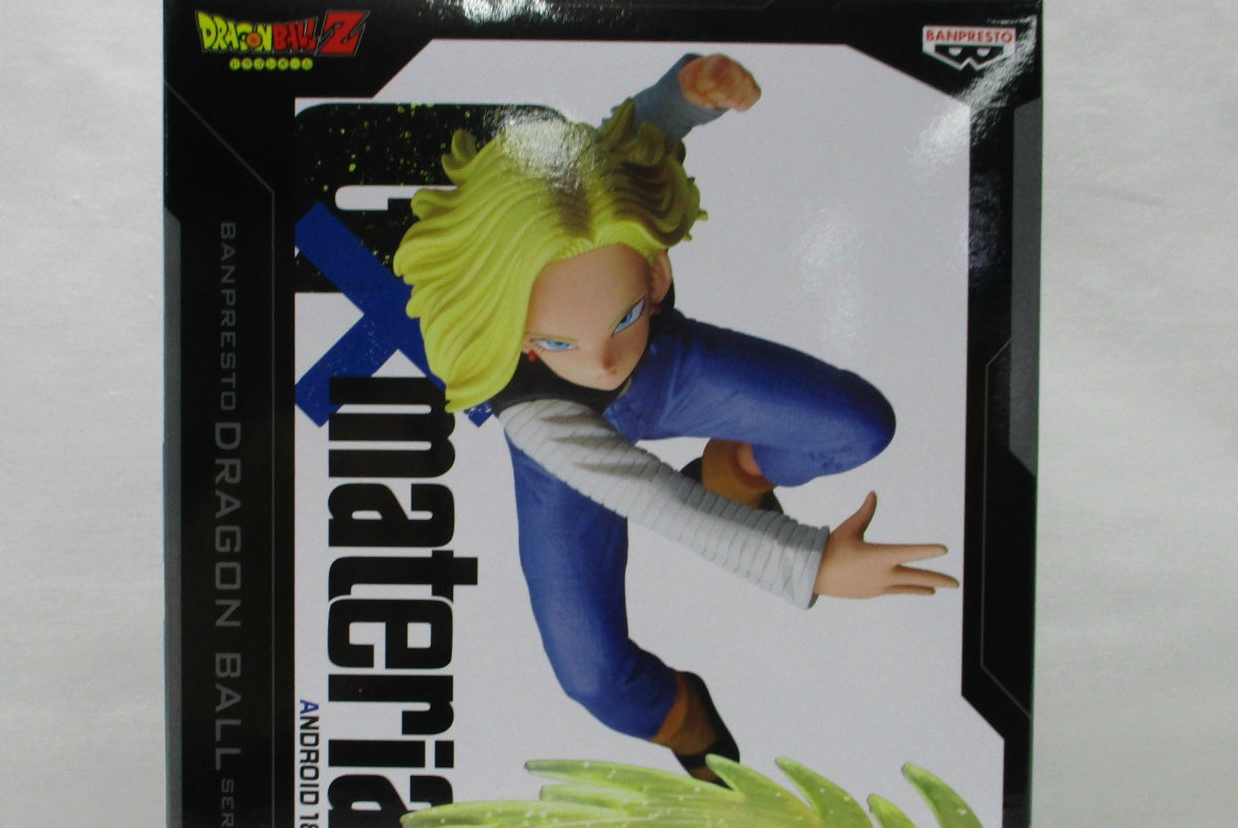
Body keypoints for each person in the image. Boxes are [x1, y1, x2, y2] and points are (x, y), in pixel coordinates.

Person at [393, 55, 957, 779]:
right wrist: (811, 564)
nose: (602, 361)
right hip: (569, 460)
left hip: (668, 373)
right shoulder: (534, 414)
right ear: (516, 333)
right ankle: (688, 723)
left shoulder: (616, 228)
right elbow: (661, 502)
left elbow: (635, 141)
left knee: (858, 424)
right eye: (557, 341)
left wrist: (685, 94)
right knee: (593, 676)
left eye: (624, 314)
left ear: (656, 272)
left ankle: (735, 470)